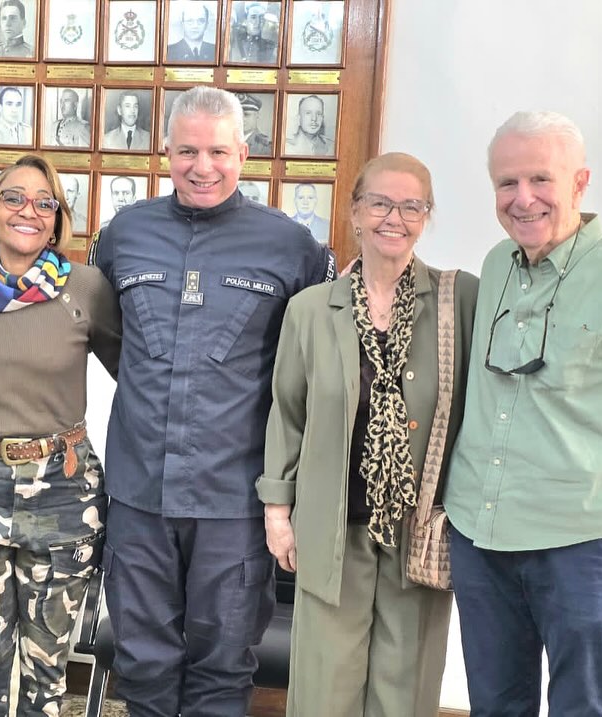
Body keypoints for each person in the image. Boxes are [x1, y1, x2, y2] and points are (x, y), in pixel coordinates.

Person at [91, 85, 336, 717]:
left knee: (224, 666)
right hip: (139, 493)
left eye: (218, 152)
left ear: (243, 154)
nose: (203, 167)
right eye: (187, 151)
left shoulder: (293, 247)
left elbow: (311, 367)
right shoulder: (124, 234)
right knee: (141, 663)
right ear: (165, 152)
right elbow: (111, 340)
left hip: (234, 500)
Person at [444, 110, 602, 716]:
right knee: (494, 705)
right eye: (507, 183)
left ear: (580, 183)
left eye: (540, 179)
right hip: (481, 532)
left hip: (585, 540)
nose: (523, 199)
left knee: (580, 707)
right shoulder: (497, 264)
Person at [257, 152, 478, 717]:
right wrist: (278, 513)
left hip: (418, 532)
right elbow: (288, 413)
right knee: (324, 688)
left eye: (411, 206)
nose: (393, 218)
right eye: (380, 203)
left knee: (406, 687)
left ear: (427, 216)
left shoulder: (459, 301)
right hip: (331, 527)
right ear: (355, 211)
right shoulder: (310, 309)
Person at [0, 154, 120, 715]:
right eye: (14, 198)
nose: (29, 211)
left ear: (58, 219)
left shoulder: (86, 289)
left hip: (63, 489)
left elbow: (137, 376)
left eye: (46, 203)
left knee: (48, 667)